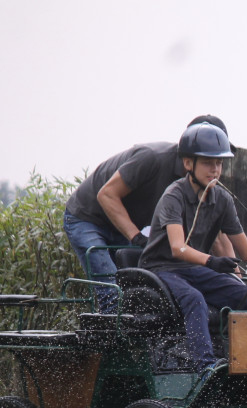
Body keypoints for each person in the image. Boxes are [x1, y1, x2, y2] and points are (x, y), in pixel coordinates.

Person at [139, 122, 247, 373]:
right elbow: (177, 249)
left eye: (219, 163)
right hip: (161, 269)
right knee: (194, 299)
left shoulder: (222, 199)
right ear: (188, 163)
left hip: (195, 269)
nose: (215, 170)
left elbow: (246, 252)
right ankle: (206, 370)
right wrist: (212, 262)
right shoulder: (174, 196)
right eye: (207, 163)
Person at [63, 115, 231, 312]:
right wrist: (136, 237)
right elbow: (107, 195)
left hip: (123, 222)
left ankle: (145, 337)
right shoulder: (152, 158)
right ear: (189, 158)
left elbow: (218, 238)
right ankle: (114, 340)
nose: (214, 168)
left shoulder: (199, 184)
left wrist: (236, 280)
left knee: (133, 287)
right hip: (87, 217)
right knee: (111, 286)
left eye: (218, 160)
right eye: (207, 159)